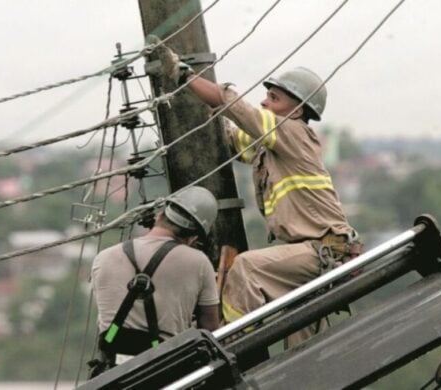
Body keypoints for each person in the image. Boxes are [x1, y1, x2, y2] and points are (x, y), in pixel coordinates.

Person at [152, 37, 362, 348]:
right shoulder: (272, 147)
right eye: (266, 97)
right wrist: (208, 121)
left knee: (246, 268)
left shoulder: (293, 133)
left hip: (320, 251)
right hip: (307, 255)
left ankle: (232, 343)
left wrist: (184, 75)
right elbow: (236, 138)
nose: (265, 102)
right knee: (300, 337)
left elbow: (233, 105)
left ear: (298, 110)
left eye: (274, 98)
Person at [89, 186, 220, 374]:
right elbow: (210, 329)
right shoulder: (198, 262)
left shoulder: (104, 257)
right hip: (165, 368)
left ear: (159, 216)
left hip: (113, 371)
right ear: (193, 238)